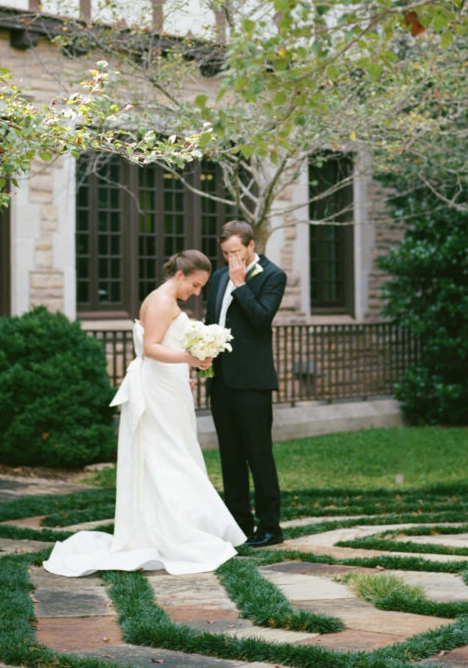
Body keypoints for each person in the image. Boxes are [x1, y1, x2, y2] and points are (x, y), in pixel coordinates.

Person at [43, 250, 246, 577]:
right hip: (156, 391)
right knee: (167, 456)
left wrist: (186, 368)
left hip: (169, 386)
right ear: (180, 274)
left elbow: (163, 345)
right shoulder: (161, 302)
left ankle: (183, 525)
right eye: (194, 285)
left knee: (175, 453)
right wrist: (189, 359)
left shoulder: (166, 300)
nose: (195, 293)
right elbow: (150, 348)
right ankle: (175, 531)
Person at [205, 220, 287, 548]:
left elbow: (260, 318)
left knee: (258, 454)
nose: (230, 259)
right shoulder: (217, 276)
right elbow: (214, 323)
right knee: (230, 455)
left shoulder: (272, 276)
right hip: (221, 380)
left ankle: (270, 527)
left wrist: (241, 284)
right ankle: (239, 523)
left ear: (251, 246)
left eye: (235, 252)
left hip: (253, 382)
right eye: (225, 253)